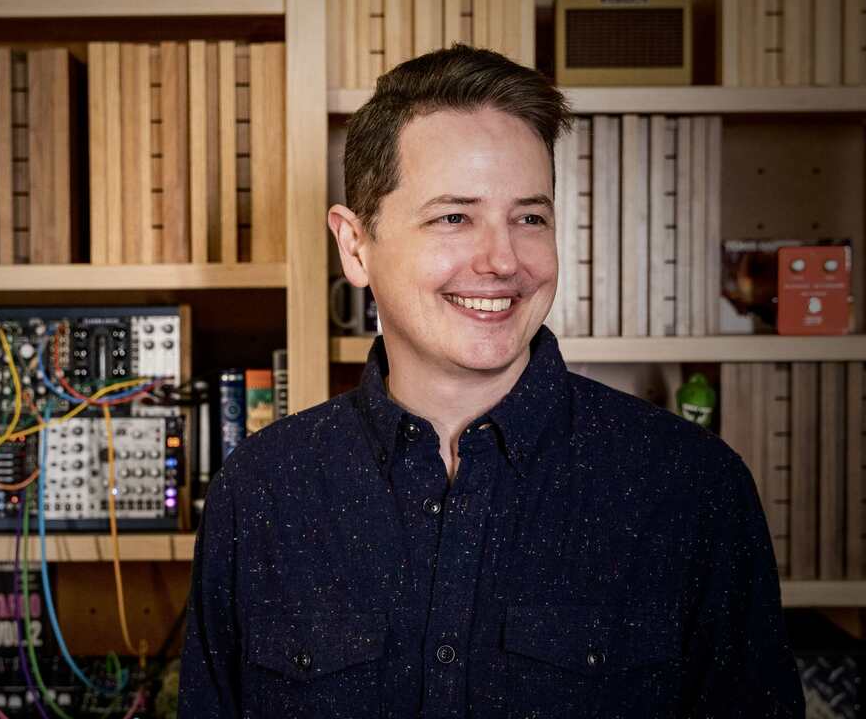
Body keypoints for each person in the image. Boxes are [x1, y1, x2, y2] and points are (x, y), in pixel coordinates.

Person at [179, 45, 805, 718]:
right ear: (355, 246)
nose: (503, 260)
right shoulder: (261, 490)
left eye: (529, 218)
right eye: (454, 217)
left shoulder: (693, 488)